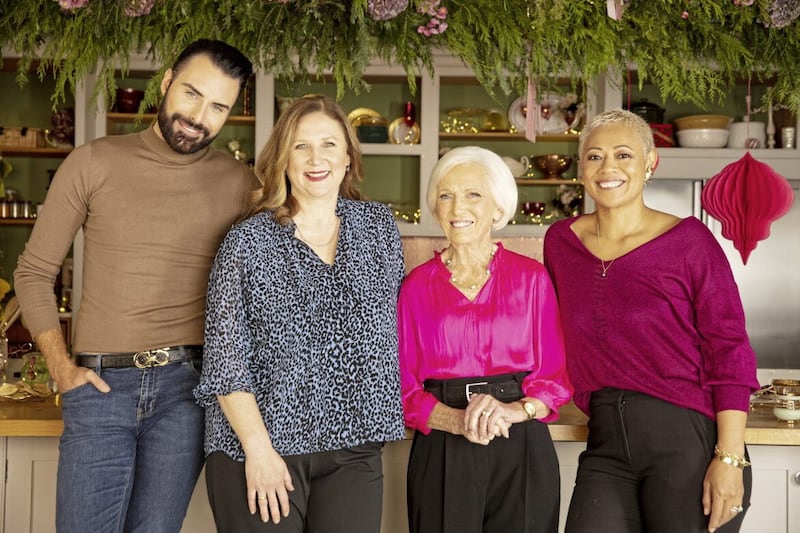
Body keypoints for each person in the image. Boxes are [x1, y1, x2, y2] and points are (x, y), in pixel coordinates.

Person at [13, 39, 257, 532]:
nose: (198, 116)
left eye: (218, 107)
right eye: (191, 94)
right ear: (166, 82)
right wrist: (61, 368)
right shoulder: (93, 162)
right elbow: (33, 273)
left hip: (187, 392)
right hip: (101, 386)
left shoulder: (241, 184)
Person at [193, 94, 407, 532]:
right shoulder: (247, 242)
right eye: (301, 146)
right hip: (260, 448)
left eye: (329, 144)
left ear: (348, 157)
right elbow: (225, 359)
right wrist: (259, 451)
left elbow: (402, 327)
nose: (316, 158)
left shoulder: (378, 228)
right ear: (283, 159)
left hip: (355, 448)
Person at [543, 109, 760, 533]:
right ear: (581, 167)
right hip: (605, 439)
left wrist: (729, 458)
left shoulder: (689, 241)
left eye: (623, 155)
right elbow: (541, 330)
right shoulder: (560, 242)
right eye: (594, 157)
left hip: (687, 439)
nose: (608, 168)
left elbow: (729, 347)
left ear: (649, 163)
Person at [398, 146, 573, 533]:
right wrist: (456, 421)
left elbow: (555, 379)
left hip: (520, 441)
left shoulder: (532, 278)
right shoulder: (415, 287)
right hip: (443, 442)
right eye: (446, 196)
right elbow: (402, 388)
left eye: (473, 195)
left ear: (498, 208)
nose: (457, 207)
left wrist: (516, 411)